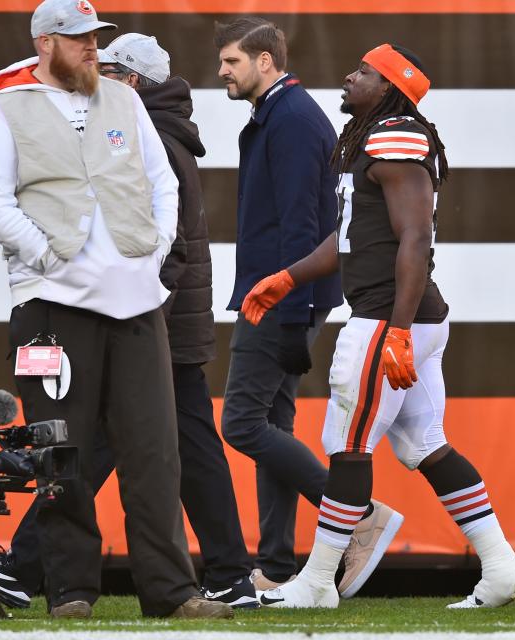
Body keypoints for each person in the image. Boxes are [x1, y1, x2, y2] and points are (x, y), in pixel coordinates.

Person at [241, 43, 515, 609]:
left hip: (387, 319)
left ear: (390, 86)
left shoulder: (395, 134)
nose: (349, 77)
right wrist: (288, 277)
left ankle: (319, 581)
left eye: (363, 72)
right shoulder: (372, 138)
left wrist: (396, 329)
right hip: (405, 317)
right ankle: (500, 565)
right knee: (425, 443)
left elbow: (414, 238)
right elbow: (355, 236)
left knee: (347, 446)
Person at [0, 0, 231, 619]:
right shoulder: (4, 109)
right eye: (79, 37)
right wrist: (49, 258)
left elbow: (163, 182)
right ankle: (73, 592)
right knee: (64, 453)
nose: (92, 47)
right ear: (44, 42)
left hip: (138, 302)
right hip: (51, 306)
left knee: (155, 450)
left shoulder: (127, 100)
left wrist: (155, 245)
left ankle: (172, 592)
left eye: (96, 37)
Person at [214, 17, 402, 598]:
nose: (221, 71)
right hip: (277, 296)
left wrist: (292, 311)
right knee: (270, 426)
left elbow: (303, 224)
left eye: (232, 62)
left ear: (265, 61)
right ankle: (275, 565)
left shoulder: (292, 119)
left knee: (241, 423)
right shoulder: (280, 114)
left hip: (277, 299)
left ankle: (358, 514)